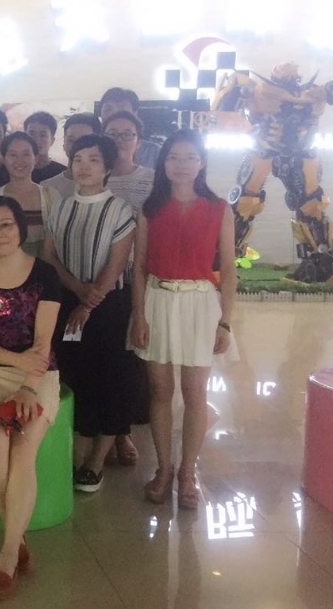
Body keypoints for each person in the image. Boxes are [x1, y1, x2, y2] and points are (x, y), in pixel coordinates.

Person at [129, 130, 236, 510]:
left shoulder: (219, 208)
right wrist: (138, 315)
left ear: (202, 162)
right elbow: (139, 267)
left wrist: (225, 322)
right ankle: (163, 469)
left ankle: (188, 473)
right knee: (160, 391)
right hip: (157, 301)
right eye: (174, 157)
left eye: (190, 157)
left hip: (200, 305)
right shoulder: (150, 208)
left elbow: (229, 269)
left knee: (195, 393)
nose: (181, 164)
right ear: (164, 163)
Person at [0, 196, 62, 601]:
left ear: (21, 228)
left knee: (21, 449)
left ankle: (6, 553)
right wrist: (15, 363)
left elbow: (43, 342)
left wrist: (28, 386)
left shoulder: (45, 275)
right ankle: (17, 538)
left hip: (39, 373)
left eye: (6, 224)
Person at [43, 134, 136, 493]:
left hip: (108, 306)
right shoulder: (61, 207)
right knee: (74, 377)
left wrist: (89, 302)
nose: (84, 166)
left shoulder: (120, 209)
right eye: (78, 158)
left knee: (109, 378)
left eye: (94, 159)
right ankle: (73, 454)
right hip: (68, 301)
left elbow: (116, 264)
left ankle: (96, 461)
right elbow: (50, 257)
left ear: (108, 167)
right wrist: (78, 292)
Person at [102, 110, 156, 467]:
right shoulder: (96, 177)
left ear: (138, 140)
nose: (120, 140)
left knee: (134, 362)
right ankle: (112, 432)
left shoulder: (152, 181)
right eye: (113, 133)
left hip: (139, 282)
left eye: (127, 134)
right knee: (108, 360)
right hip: (101, 281)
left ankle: (124, 431)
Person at [0, 132, 55, 258]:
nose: (19, 161)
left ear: (36, 159)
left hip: (44, 268)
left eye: (26, 154)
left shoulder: (51, 196)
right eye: (13, 155)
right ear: (3, 159)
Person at [40, 113, 102, 199]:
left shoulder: (107, 186)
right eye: (71, 140)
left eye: (84, 141)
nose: (76, 146)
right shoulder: (47, 187)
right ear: (64, 143)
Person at [99, 87, 160, 169]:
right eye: (108, 109)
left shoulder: (153, 153)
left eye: (122, 109)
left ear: (135, 113)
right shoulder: (92, 149)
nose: (115, 113)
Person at [24, 111, 67, 183]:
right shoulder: (17, 169)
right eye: (31, 134)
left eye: (43, 135)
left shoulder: (62, 173)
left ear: (52, 140)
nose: (37, 140)